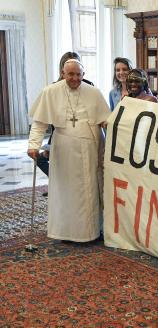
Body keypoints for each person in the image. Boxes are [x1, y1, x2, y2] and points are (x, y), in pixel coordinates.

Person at [27, 59, 110, 242]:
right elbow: (40, 122)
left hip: (90, 146)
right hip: (63, 148)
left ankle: (91, 232)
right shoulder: (50, 92)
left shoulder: (94, 93)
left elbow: (105, 119)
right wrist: (34, 145)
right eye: (71, 74)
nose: (75, 78)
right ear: (63, 73)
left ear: (83, 75)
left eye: (79, 74)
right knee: (65, 189)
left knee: (89, 189)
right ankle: (65, 232)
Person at [36, 52, 94, 183]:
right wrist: (40, 144)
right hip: (59, 137)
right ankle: (57, 183)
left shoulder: (89, 87)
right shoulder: (52, 89)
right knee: (46, 161)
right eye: (69, 70)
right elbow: (43, 121)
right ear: (62, 71)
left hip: (84, 138)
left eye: (77, 70)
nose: (74, 75)